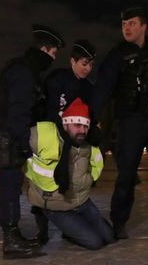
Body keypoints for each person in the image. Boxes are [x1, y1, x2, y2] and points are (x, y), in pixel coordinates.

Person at [91, 7, 148, 242]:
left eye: (132, 23)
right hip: (130, 120)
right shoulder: (117, 55)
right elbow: (102, 89)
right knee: (127, 174)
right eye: (124, 24)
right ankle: (119, 223)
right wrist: (91, 119)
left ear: (144, 26)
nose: (127, 28)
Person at [0, 24, 65, 259]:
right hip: (1, 131)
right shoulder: (24, 72)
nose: (54, 59)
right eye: (54, 54)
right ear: (45, 49)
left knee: (11, 181)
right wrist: (24, 144)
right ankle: (11, 239)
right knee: (10, 182)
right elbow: (19, 111)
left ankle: (12, 235)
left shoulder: (24, 69)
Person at [25, 98, 114, 250]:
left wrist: (90, 179)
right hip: (56, 205)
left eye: (85, 126)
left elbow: (97, 162)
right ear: (65, 124)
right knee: (95, 243)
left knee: (110, 238)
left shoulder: (87, 142)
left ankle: (79, 227)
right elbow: (19, 138)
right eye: (77, 125)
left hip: (82, 201)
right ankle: (54, 220)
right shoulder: (46, 136)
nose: (82, 131)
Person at [34, 39, 98, 244]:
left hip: (74, 141)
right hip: (51, 137)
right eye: (84, 63)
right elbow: (48, 108)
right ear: (73, 61)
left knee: (70, 180)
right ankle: (42, 227)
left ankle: (70, 223)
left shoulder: (88, 87)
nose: (87, 69)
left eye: (91, 65)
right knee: (44, 182)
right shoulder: (57, 78)